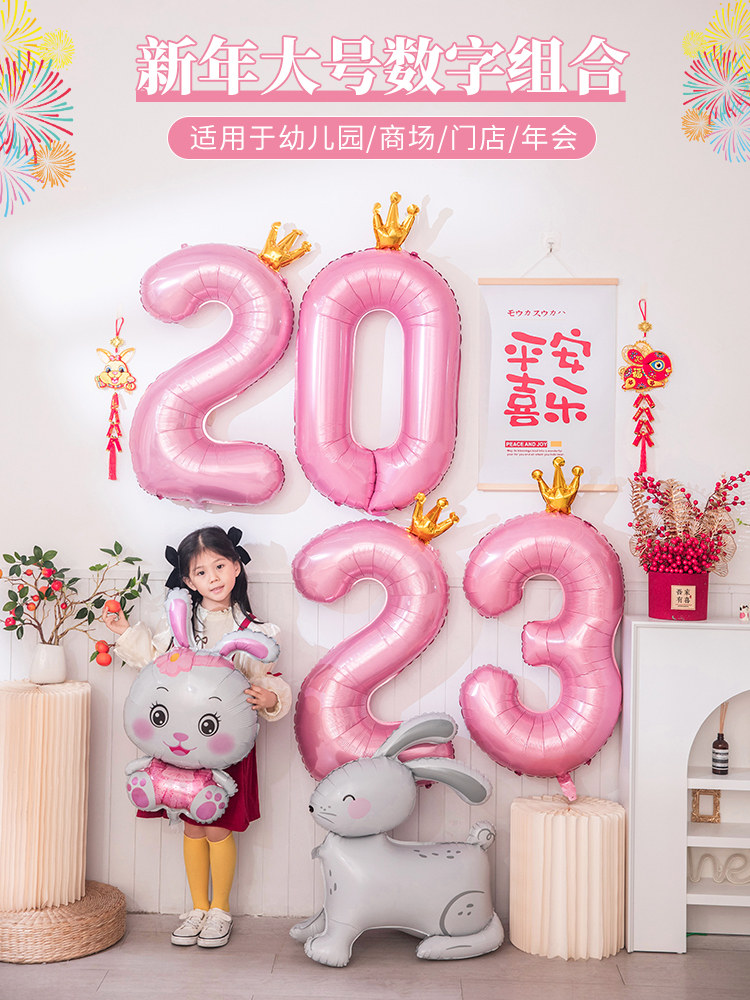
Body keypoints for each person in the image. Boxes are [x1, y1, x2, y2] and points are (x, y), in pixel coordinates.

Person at [104, 525, 291, 949]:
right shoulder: (180, 624)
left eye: (220, 566)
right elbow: (154, 661)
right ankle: (197, 908)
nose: (214, 578)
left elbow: (268, 679)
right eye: (201, 572)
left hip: (224, 747)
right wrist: (123, 631)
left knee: (218, 827)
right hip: (181, 744)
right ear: (188, 581)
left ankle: (220, 910)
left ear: (237, 566)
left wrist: (270, 698)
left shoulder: (255, 629)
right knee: (192, 827)